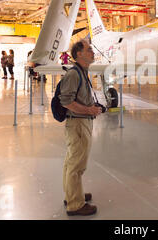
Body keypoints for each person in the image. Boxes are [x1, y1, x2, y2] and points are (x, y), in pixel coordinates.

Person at [60, 40, 102, 216]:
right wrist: (89, 110)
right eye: (89, 50)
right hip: (78, 123)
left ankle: (73, 194)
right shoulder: (74, 74)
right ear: (79, 54)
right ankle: (75, 204)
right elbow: (66, 101)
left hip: (81, 121)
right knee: (76, 164)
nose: (93, 52)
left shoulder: (82, 72)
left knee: (73, 162)